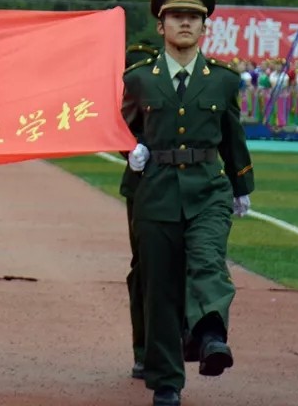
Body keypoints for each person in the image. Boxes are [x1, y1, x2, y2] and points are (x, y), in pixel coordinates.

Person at [121, 0, 256, 406]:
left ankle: (212, 333)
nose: (185, 23)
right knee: (158, 286)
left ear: (204, 28)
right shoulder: (139, 79)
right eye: (177, 16)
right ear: (161, 26)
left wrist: (241, 185)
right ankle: (167, 381)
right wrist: (130, 150)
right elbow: (121, 127)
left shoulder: (222, 81)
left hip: (207, 189)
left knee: (207, 258)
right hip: (156, 190)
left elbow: (233, 135)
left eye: (194, 18)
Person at [121, 41, 159, 380]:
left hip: (192, 185)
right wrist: (130, 150)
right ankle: (145, 350)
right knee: (145, 269)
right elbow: (122, 123)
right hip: (144, 183)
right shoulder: (136, 72)